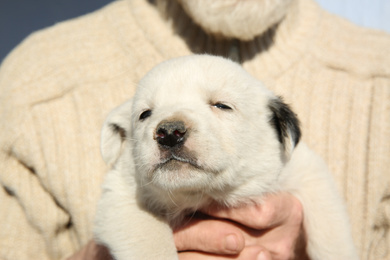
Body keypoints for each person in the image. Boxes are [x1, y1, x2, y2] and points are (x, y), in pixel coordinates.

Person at [0, 0, 389, 259]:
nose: (168, 130)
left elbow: (310, 175)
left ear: (280, 128)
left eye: (221, 105)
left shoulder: (379, 70)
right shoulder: (33, 83)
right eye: (145, 114)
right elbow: (119, 208)